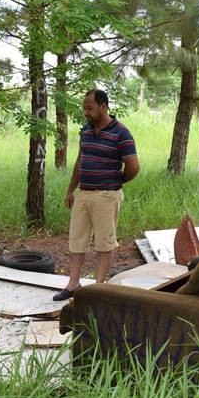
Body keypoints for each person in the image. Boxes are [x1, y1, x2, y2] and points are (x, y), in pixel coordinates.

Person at [53, 89, 140, 301]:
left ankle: (98, 288)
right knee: (77, 240)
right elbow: (80, 162)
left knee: (104, 243)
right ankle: (73, 284)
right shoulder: (86, 131)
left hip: (106, 196)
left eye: (89, 108)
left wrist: (116, 182)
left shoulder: (121, 133)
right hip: (83, 194)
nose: (86, 112)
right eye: (84, 108)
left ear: (103, 106)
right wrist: (71, 190)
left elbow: (133, 167)